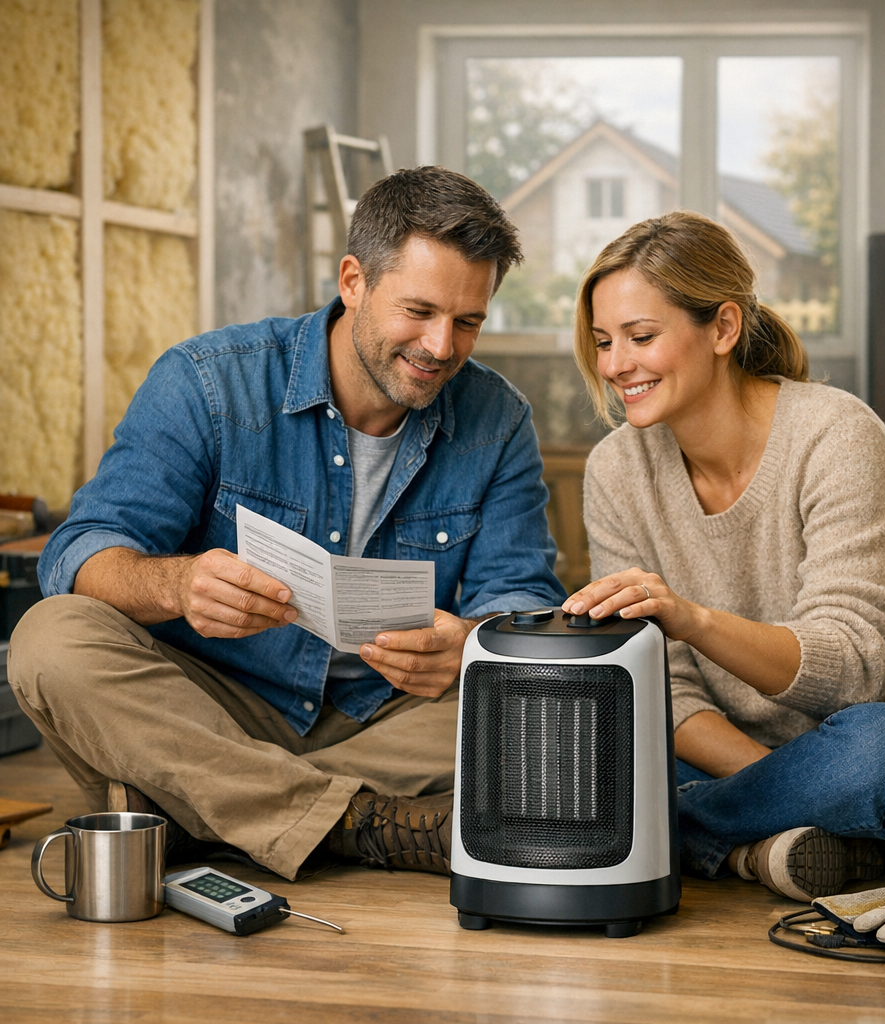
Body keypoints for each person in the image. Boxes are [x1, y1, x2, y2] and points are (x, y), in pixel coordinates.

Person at [8, 166, 565, 881]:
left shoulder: (499, 418)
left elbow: (521, 598)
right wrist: (177, 585)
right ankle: (359, 822)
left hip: (389, 717)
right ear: (354, 281)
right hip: (214, 705)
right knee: (49, 639)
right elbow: (79, 554)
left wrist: (469, 645)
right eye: (418, 310)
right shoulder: (208, 380)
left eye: (468, 322)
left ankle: (198, 810)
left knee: (538, 703)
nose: (440, 346)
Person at [563, 210, 885, 902]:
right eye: (603, 342)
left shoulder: (836, 435)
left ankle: (679, 833)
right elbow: (672, 694)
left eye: (641, 336)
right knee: (597, 737)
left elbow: (851, 671)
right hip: (754, 762)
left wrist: (692, 619)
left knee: (876, 749)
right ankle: (787, 845)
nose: (615, 365)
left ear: (722, 328)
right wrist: (791, 785)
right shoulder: (615, 471)